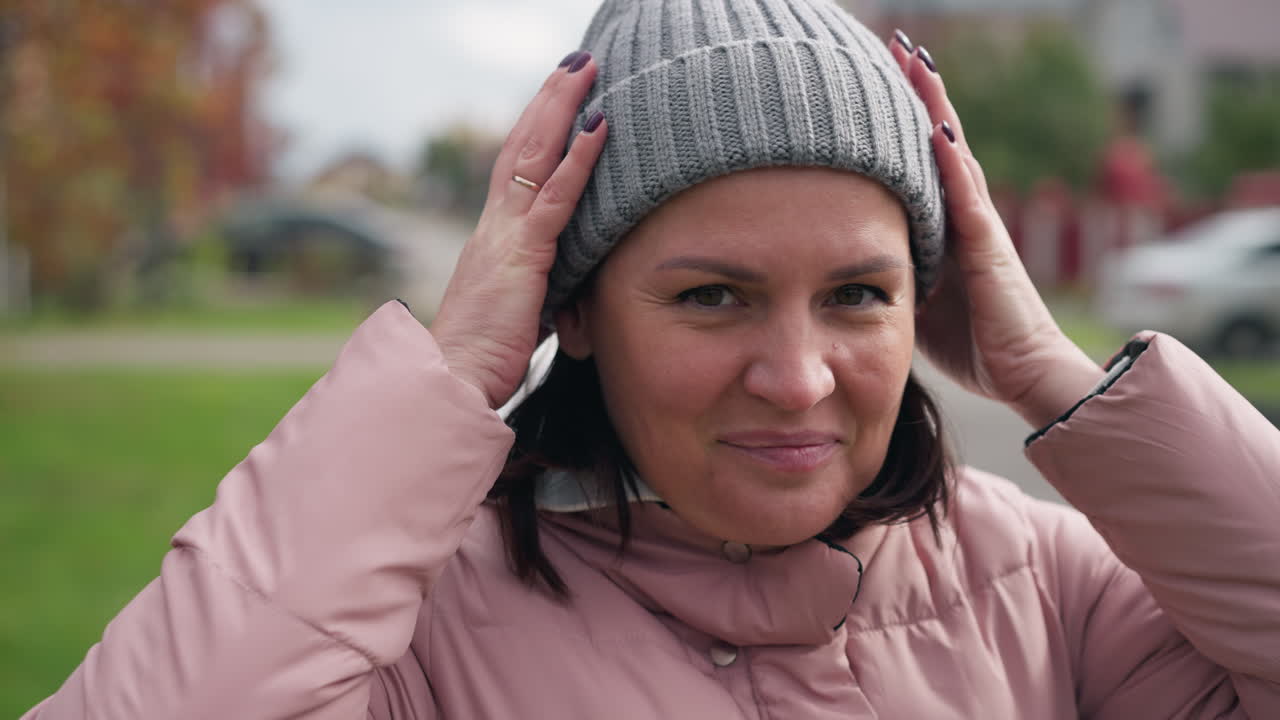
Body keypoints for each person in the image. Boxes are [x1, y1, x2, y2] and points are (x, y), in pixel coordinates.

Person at [24, 0, 1280, 717]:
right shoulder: (402, 638)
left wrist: (1056, 379)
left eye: (856, 292)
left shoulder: (1050, 593)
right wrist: (448, 376)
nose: (797, 377)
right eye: (712, 296)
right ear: (571, 309)